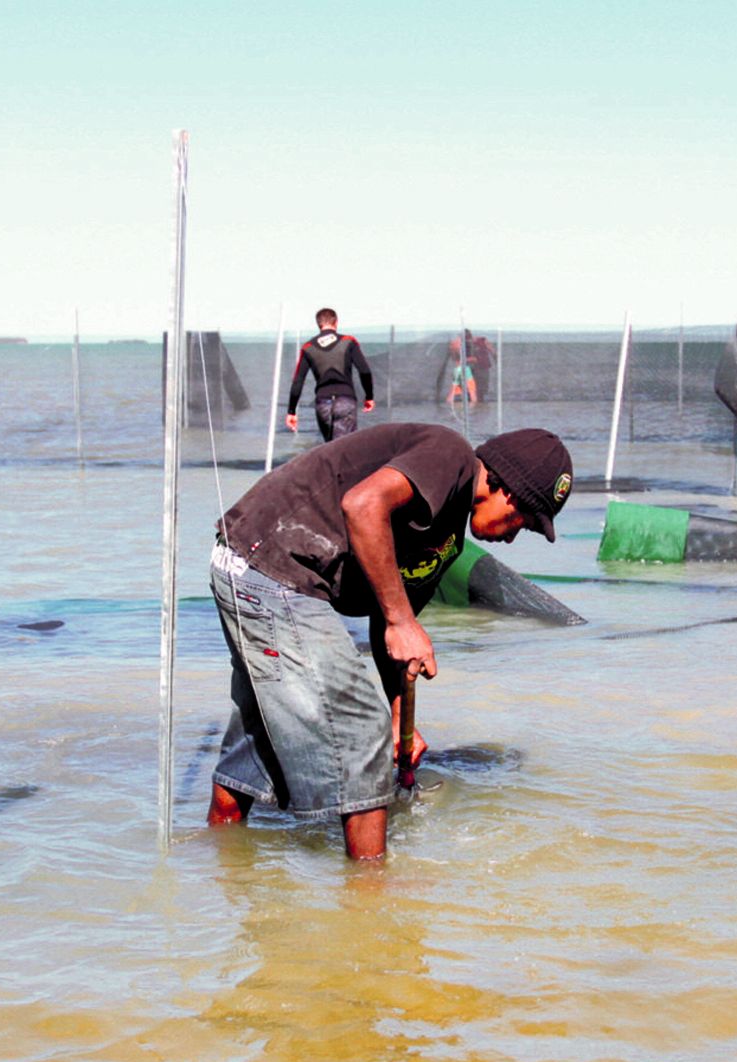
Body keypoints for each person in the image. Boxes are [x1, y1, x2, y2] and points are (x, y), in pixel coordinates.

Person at [206, 423, 574, 858]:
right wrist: (402, 623)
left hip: (259, 569)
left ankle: (220, 854)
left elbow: (388, 620)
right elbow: (362, 505)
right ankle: (372, 888)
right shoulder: (450, 456)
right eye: (524, 522)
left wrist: (401, 716)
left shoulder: (447, 537)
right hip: (271, 563)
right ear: (508, 491)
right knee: (363, 731)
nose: (514, 537)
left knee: (261, 730)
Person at [285, 308, 375, 442]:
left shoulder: (308, 347)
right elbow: (364, 371)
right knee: (344, 447)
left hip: (323, 403)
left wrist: (291, 411)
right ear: (336, 322)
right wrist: (369, 396)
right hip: (345, 401)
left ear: (319, 324)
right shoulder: (348, 341)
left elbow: (298, 381)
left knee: (330, 446)